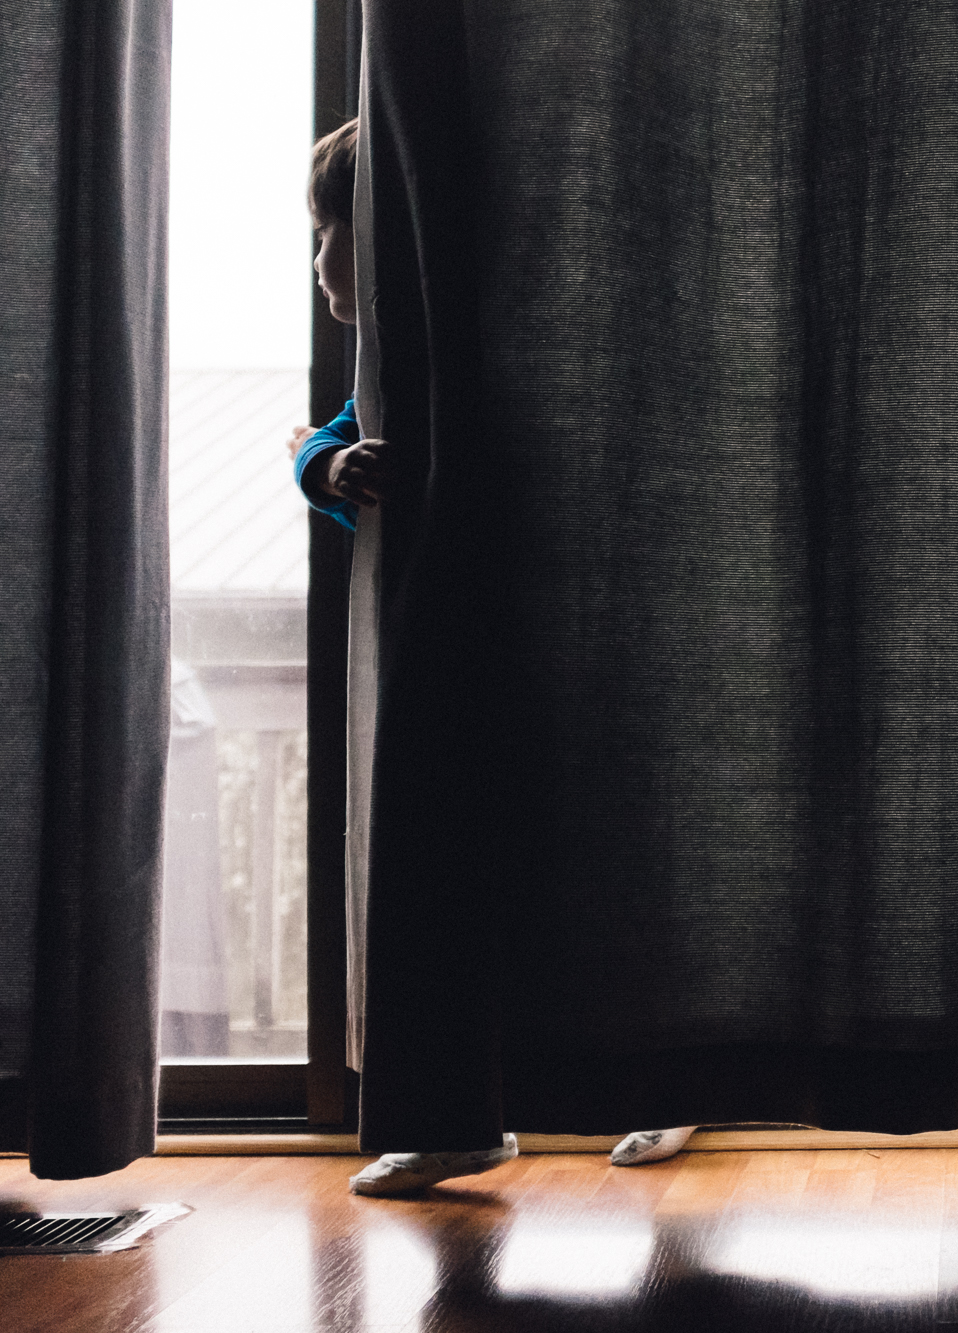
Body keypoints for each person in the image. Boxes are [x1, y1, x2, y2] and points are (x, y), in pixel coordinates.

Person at [297, 118, 696, 1195]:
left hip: (546, 658)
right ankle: (459, 1111)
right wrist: (332, 466)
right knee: (464, 884)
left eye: (321, 232)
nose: (316, 262)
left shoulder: (480, 335)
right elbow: (315, 440)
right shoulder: (396, 365)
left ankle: (667, 1088)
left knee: (606, 875)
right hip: (459, 662)